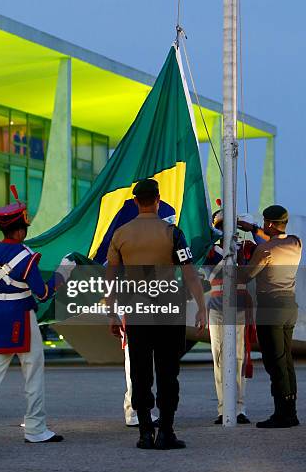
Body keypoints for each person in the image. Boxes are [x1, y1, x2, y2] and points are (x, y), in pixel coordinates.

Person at [0, 191, 70, 444]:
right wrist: (63, 273)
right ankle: (35, 429)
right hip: (22, 316)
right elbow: (43, 294)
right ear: (20, 230)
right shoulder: (26, 255)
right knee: (32, 374)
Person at [107, 178, 206, 450]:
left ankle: (144, 433)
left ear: (136, 201)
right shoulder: (172, 232)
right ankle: (166, 432)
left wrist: (112, 313)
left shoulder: (120, 234)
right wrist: (202, 307)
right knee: (167, 371)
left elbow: (111, 278)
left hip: (137, 308)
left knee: (139, 371)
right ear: (158, 200)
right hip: (168, 307)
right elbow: (190, 274)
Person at [240, 205, 302, 428]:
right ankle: (290, 411)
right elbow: (271, 238)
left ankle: (282, 414)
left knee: (274, 362)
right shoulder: (295, 242)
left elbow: (246, 276)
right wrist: (254, 229)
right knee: (286, 361)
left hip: (270, 308)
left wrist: (239, 255)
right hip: (289, 306)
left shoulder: (264, 251)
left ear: (268, 224)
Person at [205, 208, 254, 425]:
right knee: (219, 357)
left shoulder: (245, 249)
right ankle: (223, 408)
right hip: (217, 306)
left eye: (230, 224)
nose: (226, 229)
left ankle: (240, 408)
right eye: (221, 225)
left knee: (239, 357)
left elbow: (264, 246)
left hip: (239, 306)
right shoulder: (209, 250)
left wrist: (251, 229)